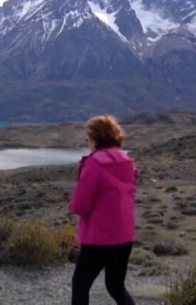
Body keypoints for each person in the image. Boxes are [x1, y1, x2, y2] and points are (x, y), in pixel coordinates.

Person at [69, 115, 137, 305]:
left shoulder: (95, 163)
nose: (87, 142)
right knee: (116, 286)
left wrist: (73, 204)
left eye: (88, 138)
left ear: (97, 138)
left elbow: (80, 205)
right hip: (124, 237)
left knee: (80, 284)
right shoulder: (127, 160)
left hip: (98, 238)